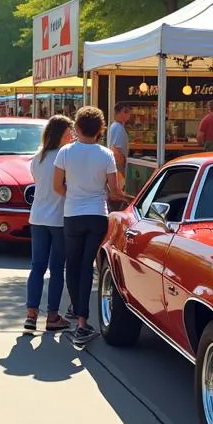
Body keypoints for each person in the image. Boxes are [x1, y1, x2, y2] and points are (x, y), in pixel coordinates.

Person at [53, 106, 125, 350]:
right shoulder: (106, 154)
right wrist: (120, 196)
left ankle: (77, 311)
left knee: (71, 266)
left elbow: (57, 186)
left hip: (72, 214)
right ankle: (83, 320)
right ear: (101, 129)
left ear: (77, 127)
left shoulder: (65, 152)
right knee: (87, 267)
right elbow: (114, 191)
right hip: (97, 215)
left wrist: (73, 195)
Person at [25, 114, 74, 333]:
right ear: (63, 134)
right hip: (59, 218)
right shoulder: (65, 156)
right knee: (56, 269)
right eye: (69, 131)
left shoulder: (39, 157)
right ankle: (52, 316)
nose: (72, 135)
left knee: (37, 267)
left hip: (38, 217)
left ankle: (31, 315)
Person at [107, 102, 131, 195]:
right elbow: (115, 150)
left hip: (116, 167)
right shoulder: (118, 128)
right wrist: (121, 171)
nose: (129, 115)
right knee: (119, 195)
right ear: (122, 112)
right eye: (128, 113)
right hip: (118, 167)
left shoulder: (115, 126)